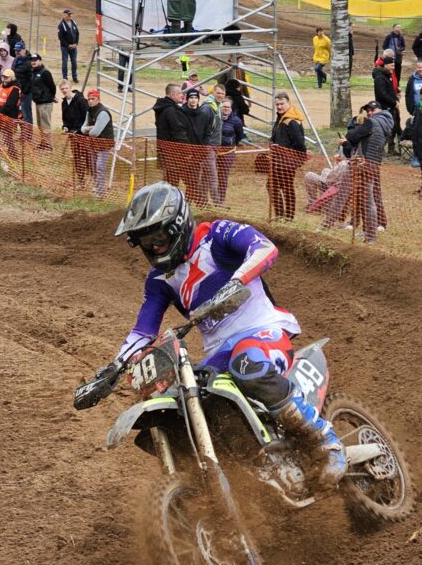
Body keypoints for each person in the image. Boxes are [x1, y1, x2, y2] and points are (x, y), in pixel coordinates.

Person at [107, 182, 346, 488]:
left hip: (262, 330)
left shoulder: (215, 235)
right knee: (190, 400)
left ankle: (326, 442)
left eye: (158, 238)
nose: (154, 247)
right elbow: (142, 331)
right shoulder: (159, 279)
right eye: (145, 242)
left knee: (247, 366)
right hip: (219, 354)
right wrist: (112, 369)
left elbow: (265, 248)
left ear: (178, 224)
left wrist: (237, 280)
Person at [342, 100, 393, 242]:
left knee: (370, 198)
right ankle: (370, 226)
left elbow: (351, 135)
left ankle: (375, 226)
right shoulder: (382, 122)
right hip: (372, 160)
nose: (370, 112)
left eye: (373, 110)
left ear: (380, 110)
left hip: (368, 161)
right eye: (368, 110)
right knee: (369, 196)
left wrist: (354, 131)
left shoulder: (374, 122)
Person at [268, 92, 307, 221]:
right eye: (277, 104)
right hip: (277, 160)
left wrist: (298, 159)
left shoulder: (292, 121)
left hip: (287, 161)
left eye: (282, 104)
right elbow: (276, 137)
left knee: (286, 187)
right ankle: (280, 214)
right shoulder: (281, 118)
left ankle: (289, 217)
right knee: (272, 186)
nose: (279, 106)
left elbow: (300, 143)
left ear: (288, 103)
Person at [153, 83, 192, 186]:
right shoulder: (171, 111)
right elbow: (178, 132)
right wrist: (187, 151)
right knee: (191, 183)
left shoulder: (163, 108)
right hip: (175, 154)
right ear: (171, 95)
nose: (182, 95)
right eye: (179, 93)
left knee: (171, 183)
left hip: (167, 152)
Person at [182, 89, 214, 206]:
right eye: (191, 97)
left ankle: (190, 202)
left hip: (199, 151)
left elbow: (208, 131)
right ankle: (196, 201)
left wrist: (205, 146)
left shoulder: (203, 114)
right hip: (185, 152)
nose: (193, 100)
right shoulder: (182, 113)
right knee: (189, 179)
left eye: (195, 98)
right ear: (187, 99)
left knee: (194, 179)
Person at [80, 89, 114, 196]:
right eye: (89, 99)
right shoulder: (89, 111)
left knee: (100, 167)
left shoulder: (103, 113)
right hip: (93, 143)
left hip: (104, 144)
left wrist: (89, 129)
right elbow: (82, 129)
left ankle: (100, 192)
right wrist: (90, 128)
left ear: (98, 99)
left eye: (93, 99)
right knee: (93, 166)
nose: (90, 101)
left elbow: (95, 132)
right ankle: (96, 185)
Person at [305, 154, 351, 226]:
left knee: (309, 175)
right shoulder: (355, 165)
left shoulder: (343, 164)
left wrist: (336, 163)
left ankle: (313, 205)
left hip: (333, 192)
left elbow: (330, 179)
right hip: (338, 195)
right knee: (325, 170)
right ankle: (315, 206)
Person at [217, 98, 243, 203]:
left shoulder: (236, 121)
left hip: (228, 152)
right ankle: (213, 198)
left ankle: (221, 199)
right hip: (214, 150)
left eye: (228, 107)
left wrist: (230, 142)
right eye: (224, 106)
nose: (226, 109)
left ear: (231, 108)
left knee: (223, 176)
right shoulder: (215, 117)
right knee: (211, 175)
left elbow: (240, 135)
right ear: (220, 107)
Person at [372, 56, 399, 154]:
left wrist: (396, 98)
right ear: (386, 65)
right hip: (384, 108)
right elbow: (382, 94)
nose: (393, 68)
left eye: (394, 65)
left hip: (390, 107)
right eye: (392, 65)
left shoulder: (387, 75)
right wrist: (394, 102)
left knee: (394, 127)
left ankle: (391, 148)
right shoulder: (380, 77)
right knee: (384, 128)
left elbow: (389, 90)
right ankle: (380, 149)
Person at [29, 53, 57, 150]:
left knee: (45, 124)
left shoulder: (45, 72)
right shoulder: (33, 72)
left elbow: (52, 87)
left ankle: (48, 145)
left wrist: (51, 97)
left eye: (35, 60)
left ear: (40, 61)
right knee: (40, 125)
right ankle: (43, 142)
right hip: (38, 102)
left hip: (45, 102)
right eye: (32, 60)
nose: (33, 62)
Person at [0, 69, 22, 159]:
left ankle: (13, 155)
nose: (4, 79)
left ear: (12, 78)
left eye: (7, 77)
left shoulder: (15, 89)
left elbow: (10, 105)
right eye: (3, 77)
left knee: (7, 136)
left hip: (9, 116)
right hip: (0, 113)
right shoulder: (1, 85)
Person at [12, 47, 34, 126]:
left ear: (24, 50)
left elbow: (31, 79)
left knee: (26, 113)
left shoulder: (29, 62)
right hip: (16, 91)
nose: (17, 52)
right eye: (16, 50)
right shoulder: (15, 60)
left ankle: (28, 132)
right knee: (18, 113)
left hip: (26, 93)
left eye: (19, 50)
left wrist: (24, 92)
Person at [58, 8, 80, 82]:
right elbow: (60, 37)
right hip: (65, 47)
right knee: (65, 62)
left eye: (71, 14)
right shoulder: (61, 25)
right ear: (64, 15)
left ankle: (74, 77)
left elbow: (77, 34)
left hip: (73, 47)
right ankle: (65, 78)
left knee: (74, 62)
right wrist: (68, 45)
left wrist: (76, 43)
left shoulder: (74, 23)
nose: (70, 15)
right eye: (69, 14)